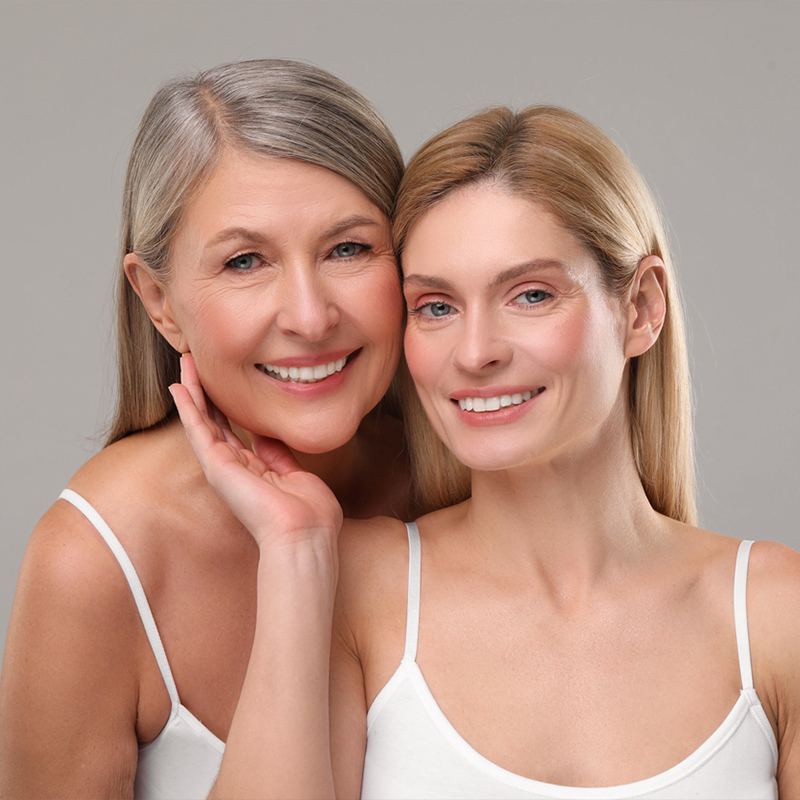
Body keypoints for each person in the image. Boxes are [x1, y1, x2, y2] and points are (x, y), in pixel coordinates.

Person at [173, 106, 800, 797]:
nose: (475, 354)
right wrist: (294, 553)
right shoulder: (356, 589)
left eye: (530, 295)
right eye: (436, 307)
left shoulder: (774, 613)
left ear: (642, 308)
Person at [0, 59, 418, 799]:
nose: (310, 316)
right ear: (159, 302)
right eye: (246, 261)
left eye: (348, 248)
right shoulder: (97, 562)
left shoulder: (472, 480)